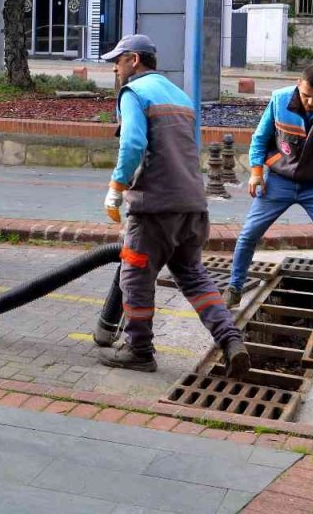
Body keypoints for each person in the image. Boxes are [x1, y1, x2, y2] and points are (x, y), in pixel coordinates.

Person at [100, 34, 249, 376]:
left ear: (134, 60)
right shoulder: (180, 96)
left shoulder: (135, 93)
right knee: (194, 277)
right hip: (192, 206)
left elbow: (134, 142)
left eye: (118, 61)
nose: (115, 70)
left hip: (155, 208)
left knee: (135, 276)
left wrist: (116, 187)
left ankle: (139, 351)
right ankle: (230, 340)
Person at [223, 64, 313, 325]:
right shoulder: (280, 100)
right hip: (278, 181)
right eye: (306, 95)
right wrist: (256, 172)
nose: (312, 102)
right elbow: (260, 138)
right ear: (298, 85)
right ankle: (234, 290)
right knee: (248, 235)